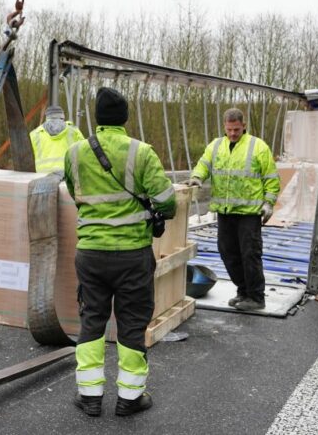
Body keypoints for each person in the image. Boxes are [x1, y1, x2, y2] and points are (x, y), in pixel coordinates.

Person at [64, 87, 176, 418]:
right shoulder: (142, 153)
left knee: (92, 319)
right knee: (131, 322)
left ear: (97, 118)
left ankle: (90, 397)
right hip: (132, 255)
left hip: (91, 253)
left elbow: (75, 193)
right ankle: (129, 399)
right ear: (125, 118)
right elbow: (167, 200)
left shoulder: (74, 153)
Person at [185, 107, 280, 312]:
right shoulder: (216, 146)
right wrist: (196, 178)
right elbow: (204, 164)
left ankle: (256, 296)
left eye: (236, 129)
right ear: (224, 127)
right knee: (228, 252)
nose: (233, 134)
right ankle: (243, 291)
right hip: (225, 211)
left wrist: (269, 203)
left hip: (249, 213)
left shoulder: (258, 147)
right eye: (229, 129)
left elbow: (271, 178)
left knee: (250, 254)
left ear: (244, 126)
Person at [29, 105, 84, 177]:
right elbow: (84, 154)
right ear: (62, 116)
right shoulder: (74, 131)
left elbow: (26, 160)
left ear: (47, 117)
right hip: (68, 178)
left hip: (42, 178)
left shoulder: (34, 134)